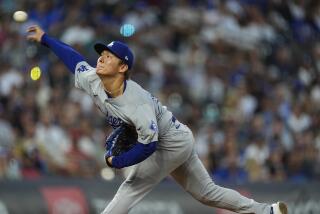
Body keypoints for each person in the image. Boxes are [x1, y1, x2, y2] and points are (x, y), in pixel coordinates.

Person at [26, 25, 288, 214]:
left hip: (169, 143)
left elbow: (148, 146)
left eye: (109, 56)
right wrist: (46, 38)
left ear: (123, 67)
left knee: (131, 187)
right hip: (176, 135)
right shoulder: (93, 78)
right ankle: (268, 211)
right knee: (207, 193)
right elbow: (74, 59)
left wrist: (116, 161)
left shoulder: (135, 102)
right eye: (102, 53)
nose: (102, 57)